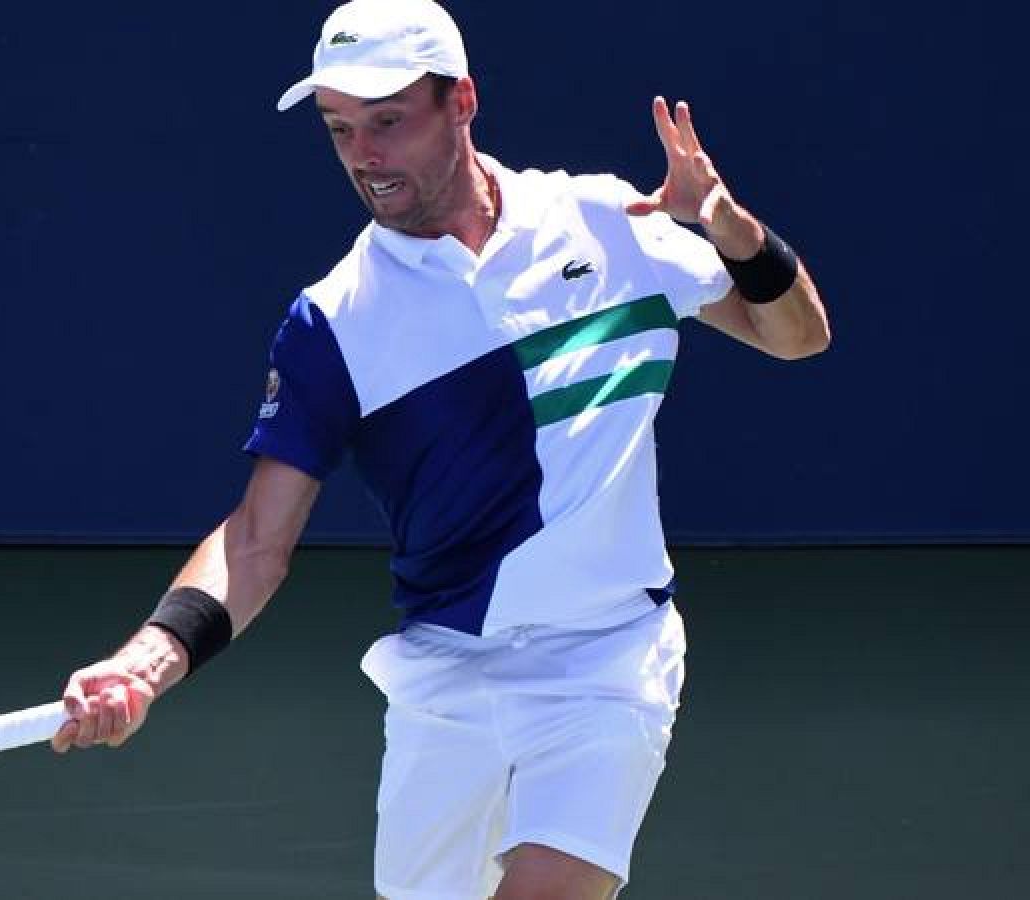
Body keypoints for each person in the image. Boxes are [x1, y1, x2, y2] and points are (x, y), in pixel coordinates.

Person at [49, 0, 830, 897]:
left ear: (461, 101)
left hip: (610, 659)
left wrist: (727, 225)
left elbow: (795, 335)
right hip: (446, 679)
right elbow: (257, 538)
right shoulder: (334, 321)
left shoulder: (607, 223)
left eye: (388, 121)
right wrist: (146, 660)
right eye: (340, 129)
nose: (364, 156)